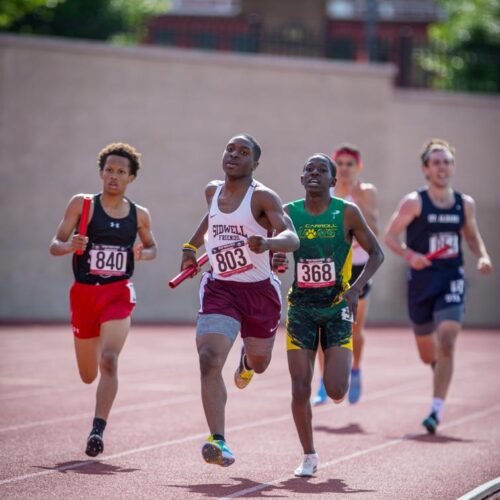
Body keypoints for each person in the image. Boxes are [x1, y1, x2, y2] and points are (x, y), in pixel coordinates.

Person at [180, 133, 299, 467]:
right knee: (208, 358)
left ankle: (248, 360)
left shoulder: (262, 197)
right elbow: (211, 219)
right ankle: (219, 441)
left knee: (261, 363)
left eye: (243, 152)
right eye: (230, 149)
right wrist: (191, 247)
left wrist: (269, 243)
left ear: (254, 163)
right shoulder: (212, 190)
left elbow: (291, 236)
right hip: (221, 288)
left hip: (259, 292)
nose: (234, 154)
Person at [273, 153, 384, 476]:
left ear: (334, 182)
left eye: (322, 170)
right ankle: (308, 455)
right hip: (302, 309)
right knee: (299, 387)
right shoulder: (289, 213)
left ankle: (335, 373)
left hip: (337, 308)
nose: (314, 173)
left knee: (336, 391)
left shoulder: (347, 212)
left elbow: (376, 253)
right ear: (301, 178)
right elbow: (277, 255)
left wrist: (356, 288)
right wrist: (278, 262)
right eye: (308, 169)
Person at [49, 143, 158, 456]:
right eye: (109, 170)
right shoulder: (82, 205)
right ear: (101, 172)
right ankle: (92, 377)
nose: (114, 176)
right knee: (87, 374)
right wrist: (71, 245)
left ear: (131, 178)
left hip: (117, 293)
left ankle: (97, 430)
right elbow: (54, 244)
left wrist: (143, 252)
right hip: (84, 294)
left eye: (121, 172)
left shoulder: (139, 214)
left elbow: (153, 247)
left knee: (109, 359)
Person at [384, 139, 492, 434]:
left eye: (447, 161)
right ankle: (438, 367)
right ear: (426, 169)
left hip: (451, 278)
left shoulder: (463, 203)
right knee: (426, 353)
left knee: (447, 341)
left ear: (452, 166)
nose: (442, 167)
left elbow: (471, 236)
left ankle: (436, 410)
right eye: (436, 162)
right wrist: (410, 255)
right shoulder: (414, 202)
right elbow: (390, 236)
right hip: (421, 282)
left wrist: (481, 255)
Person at [313, 143, 379, 405]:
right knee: (321, 329)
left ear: (358, 167)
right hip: (330, 267)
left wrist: (361, 204)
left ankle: (356, 369)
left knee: (353, 328)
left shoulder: (366, 192)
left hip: (360, 268)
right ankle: (323, 381)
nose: (344, 169)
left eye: (349, 164)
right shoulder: (325, 193)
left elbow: (374, 231)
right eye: (339, 164)